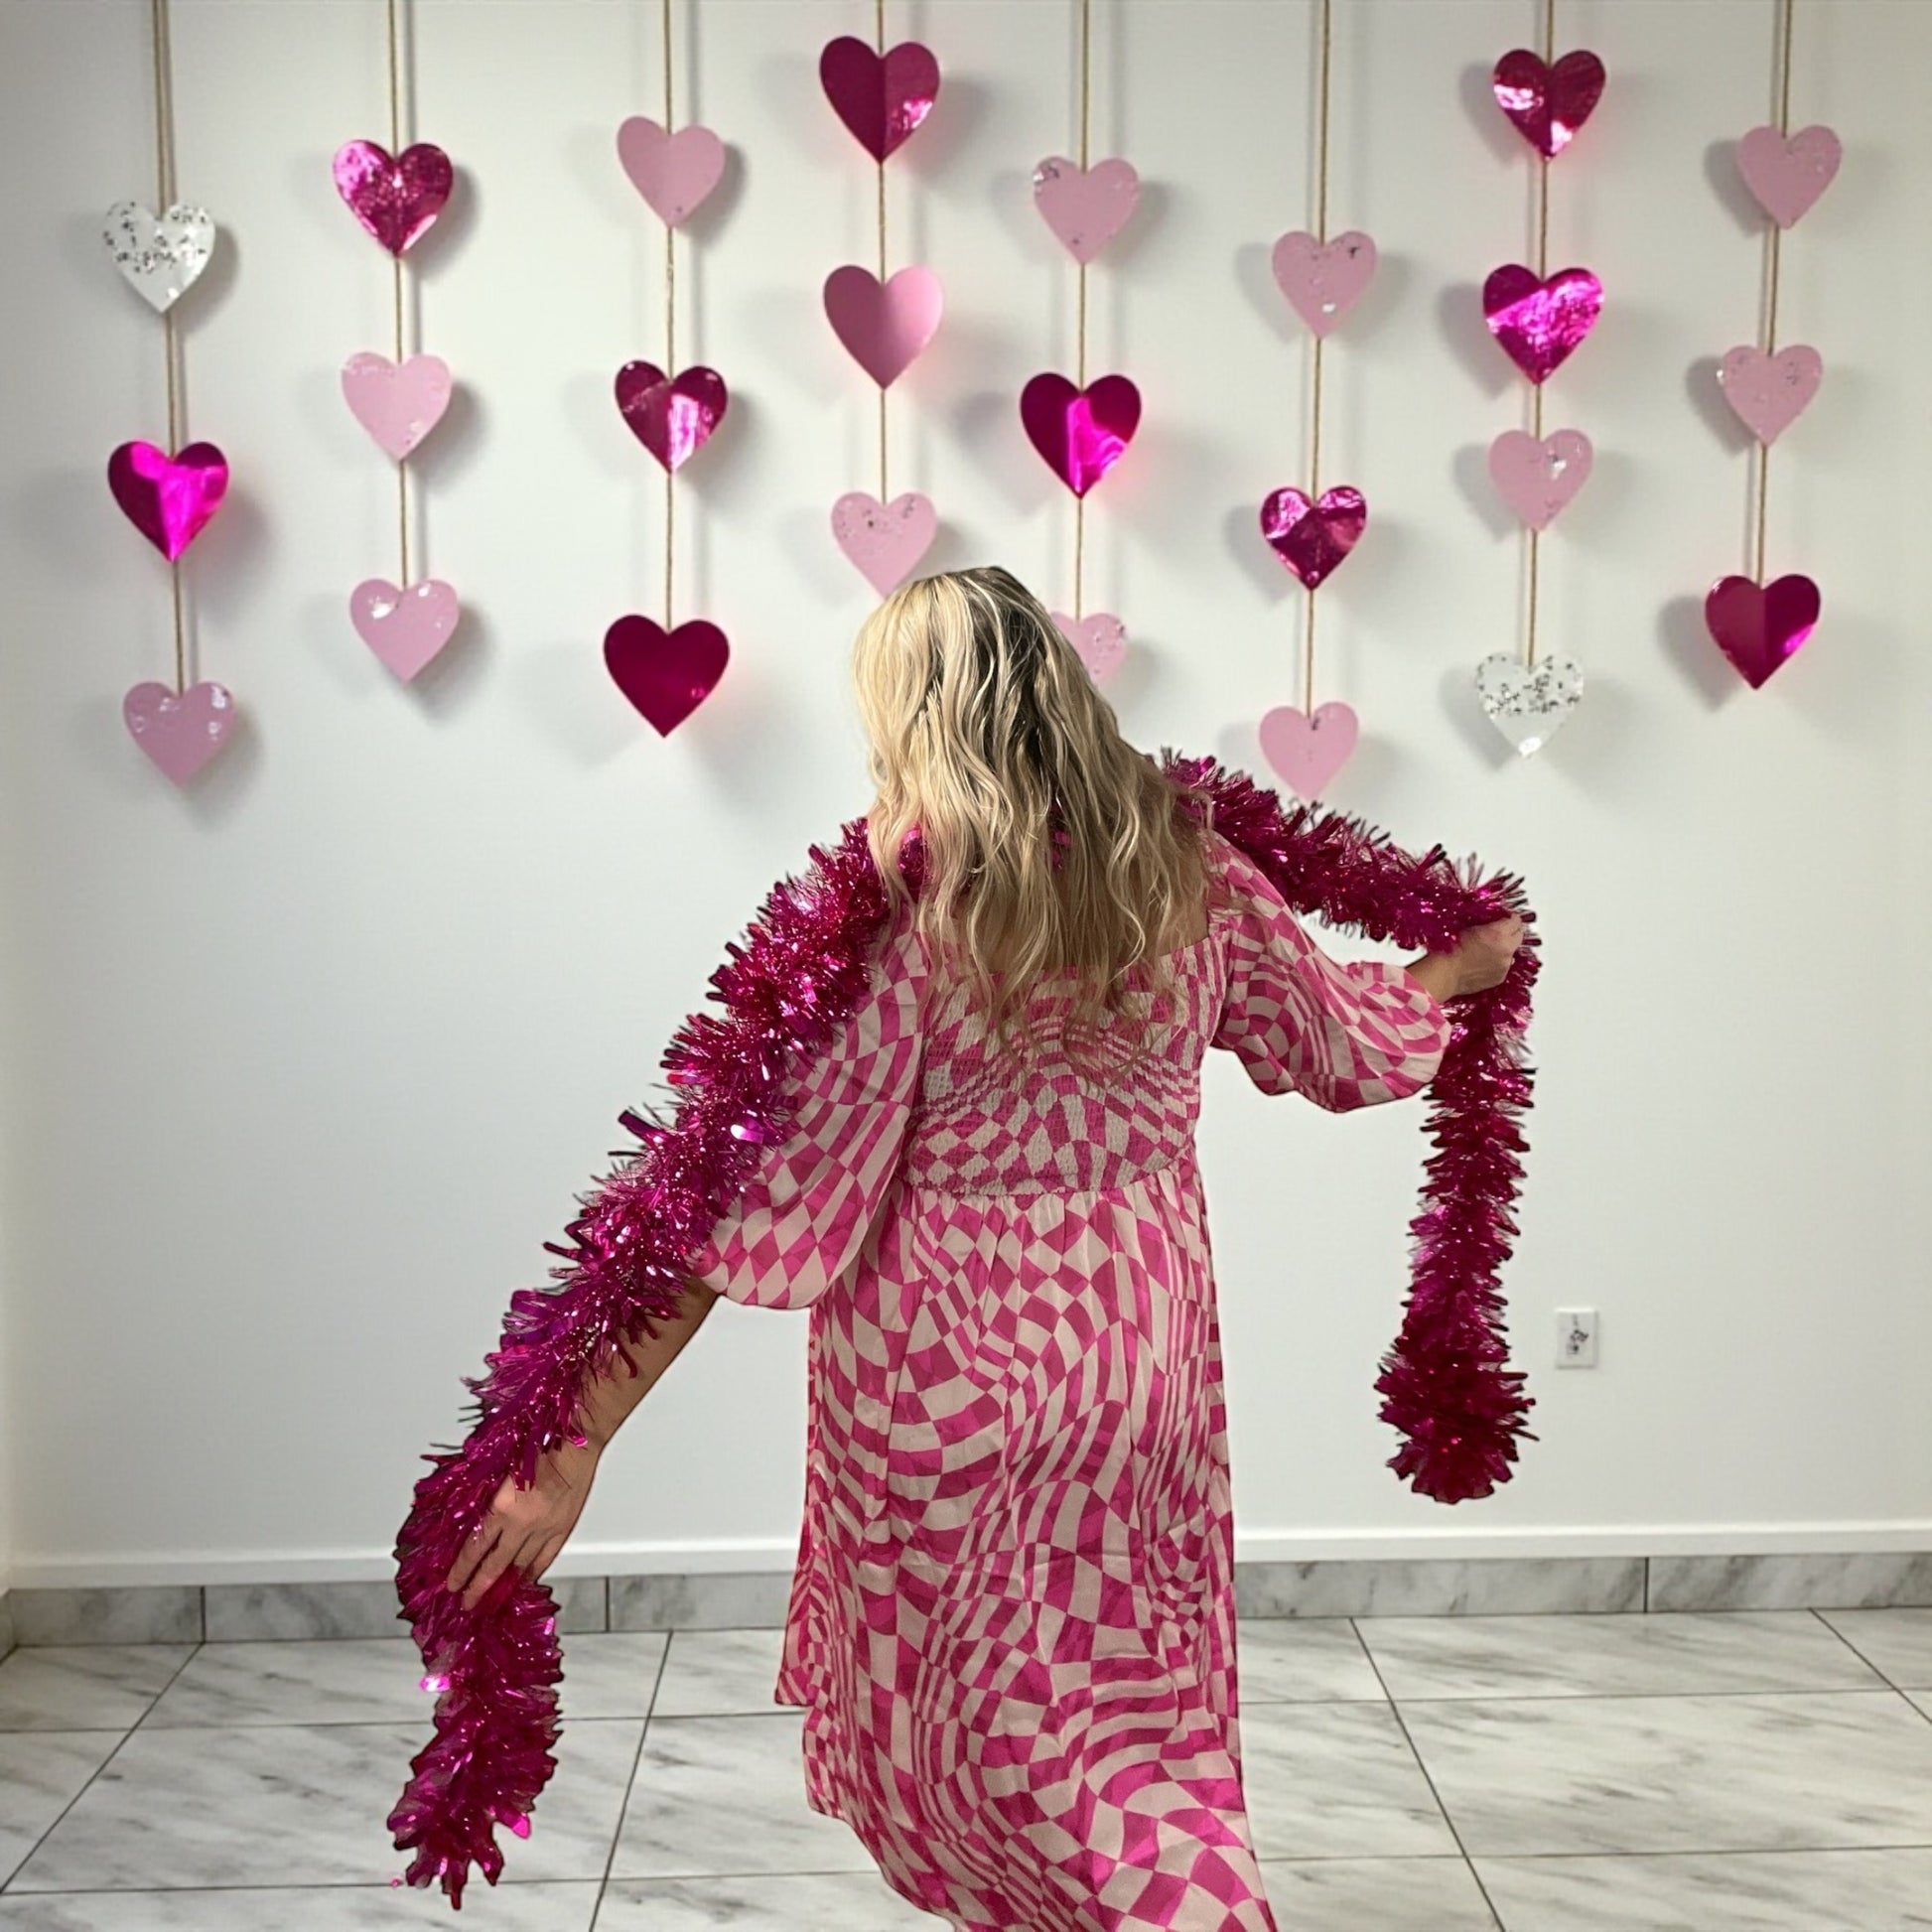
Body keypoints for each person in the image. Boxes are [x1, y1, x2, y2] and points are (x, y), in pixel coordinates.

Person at [443, 564, 1526, 1930]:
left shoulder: (903, 918)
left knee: (998, 1745)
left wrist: (577, 1439)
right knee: (1130, 1729)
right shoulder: (1193, 872)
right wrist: (1452, 975)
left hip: (942, 1381)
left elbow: (731, 1208)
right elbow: (1340, 1044)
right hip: (1140, 1361)